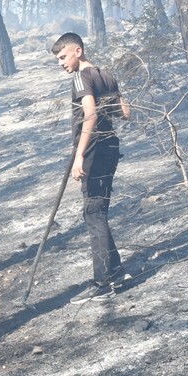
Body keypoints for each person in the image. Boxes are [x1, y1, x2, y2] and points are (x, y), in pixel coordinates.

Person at [51, 32, 131, 302]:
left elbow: (91, 115)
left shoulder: (81, 76)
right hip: (111, 147)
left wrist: (79, 156)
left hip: (94, 151)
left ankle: (102, 282)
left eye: (63, 56)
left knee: (93, 213)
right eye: (58, 59)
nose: (61, 63)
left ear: (78, 51)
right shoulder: (105, 74)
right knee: (99, 212)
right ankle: (116, 271)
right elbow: (125, 113)